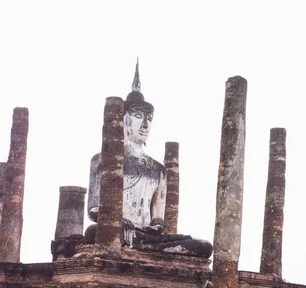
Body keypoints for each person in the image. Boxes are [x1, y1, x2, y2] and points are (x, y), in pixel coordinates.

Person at [84, 60, 212, 258]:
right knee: (96, 232)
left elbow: (158, 218)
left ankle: (148, 247)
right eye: (137, 116)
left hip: (145, 235)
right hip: (118, 230)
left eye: (149, 119)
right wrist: (117, 220)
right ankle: (141, 244)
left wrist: (157, 227)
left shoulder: (158, 170)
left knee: (202, 247)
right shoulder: (100, 159)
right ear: (123, 117)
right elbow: (93, 210)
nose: (144, 125)